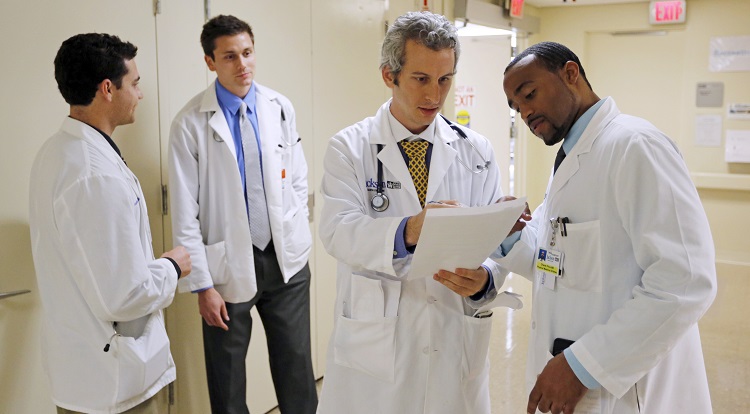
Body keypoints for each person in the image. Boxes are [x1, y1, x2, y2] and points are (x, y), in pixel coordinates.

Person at [317, 11, 523, 414]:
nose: (435, 95)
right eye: (421, 79)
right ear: (389, 75)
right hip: (376, 342)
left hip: (452, 329)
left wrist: (485, 280)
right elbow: (337, 230)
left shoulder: (475, 150)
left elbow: (495, 245)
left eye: (445, 79)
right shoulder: (350, 148)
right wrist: (409, 230)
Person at [496, 41, 717, 414]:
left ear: (570, 74)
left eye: (529, 94)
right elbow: (557, 263)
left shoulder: (635, 146)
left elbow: (686, 280)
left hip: (624, 388)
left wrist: (584, 365)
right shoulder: (572, 157)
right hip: (572, 372)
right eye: (516, 108)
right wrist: (514, 235)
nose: (526, 112)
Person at [29, 33, 192, 413]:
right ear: (107, 89)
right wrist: (171, 267)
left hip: (85, 373)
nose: (140, 94)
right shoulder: (95, 175)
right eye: (134, 84)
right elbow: (124, 296)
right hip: (112, 383)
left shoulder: (56, 153)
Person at [168, 15, 316, 414]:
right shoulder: (188, 124)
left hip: (286, 263)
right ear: (210, 61)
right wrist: (202, 285)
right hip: (226, 267)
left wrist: (295, 227)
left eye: (247, 53)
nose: (242, 65)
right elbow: (184, 214)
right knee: (227, 378)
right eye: (229, 56)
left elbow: (298, 180)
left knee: (297, 368)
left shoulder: (279, 107)